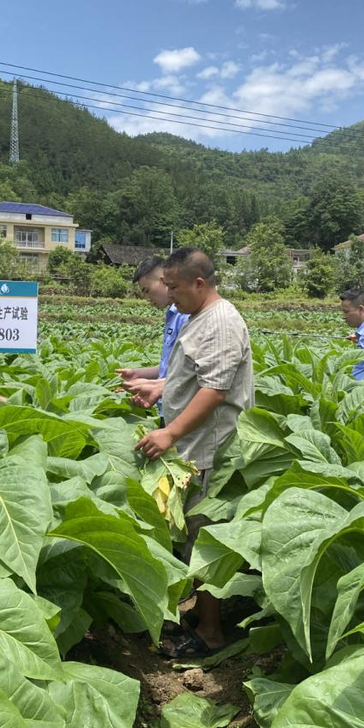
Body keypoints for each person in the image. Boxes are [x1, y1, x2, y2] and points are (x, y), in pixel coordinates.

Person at [135, 248, 254, 658]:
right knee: (192, 537)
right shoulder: (199, 317)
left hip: (210, 450)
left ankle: (211, 632)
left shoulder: (220, 322)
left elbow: (215, 390)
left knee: (204, 541)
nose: (168, 293)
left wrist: (170, 433)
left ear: (199, 284)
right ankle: (200, 615)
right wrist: (160, 390)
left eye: (173, 286)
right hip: (194, 446)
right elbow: (192, 378)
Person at [116, 256, 190, 423]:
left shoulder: (184, 316)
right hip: (168, 407)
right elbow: (172, 367)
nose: (146, 298)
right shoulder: (172, 315)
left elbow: (192, 373)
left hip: (182, 411)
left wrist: (148, 385)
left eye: (147, 290)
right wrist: (137, 374)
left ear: (163, 281)